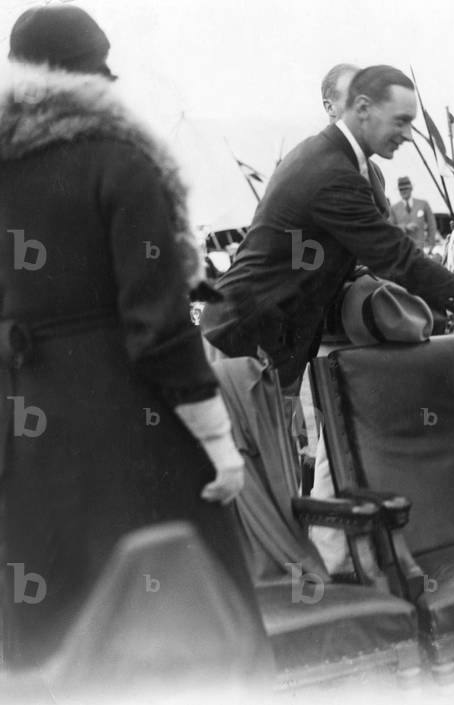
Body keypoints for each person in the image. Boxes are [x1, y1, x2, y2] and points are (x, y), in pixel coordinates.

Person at [0, 5, 263, 668]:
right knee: (186, 630)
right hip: (131, 429)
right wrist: (217, 441)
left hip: (25, 435)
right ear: (96, 76)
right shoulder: (120, 160)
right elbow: (159, 326)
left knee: (59, 637)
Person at [201, 65, 454, 394]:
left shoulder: (332, 157)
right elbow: (402, 261)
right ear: (363, 108)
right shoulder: (332, 173)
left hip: (266, 341)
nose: (408, 135)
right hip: (242, 343)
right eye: (400, 121)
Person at [389, 176, 438, 252]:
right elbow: (390, 229)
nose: (403, 191)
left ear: (411, 188)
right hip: (402, 249)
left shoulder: (423, 204)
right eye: (401, 189)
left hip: (421, 248)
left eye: (406, 188)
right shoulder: (394, 208)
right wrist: (405, 227)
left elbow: (432, 225)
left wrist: (431, 244)